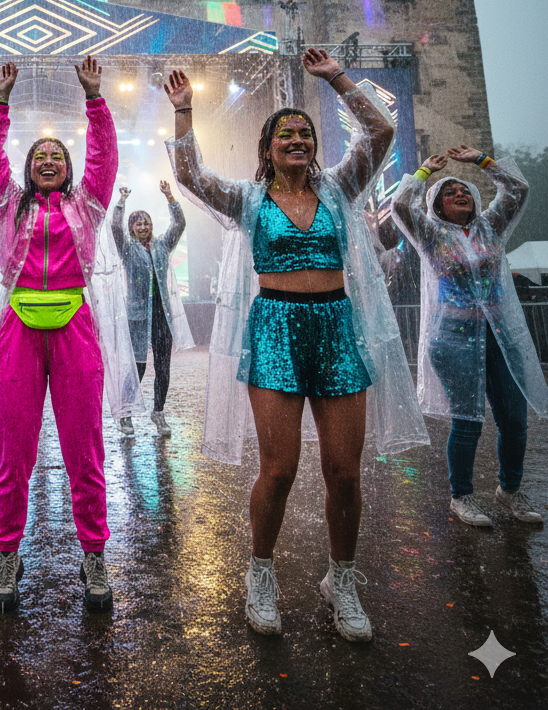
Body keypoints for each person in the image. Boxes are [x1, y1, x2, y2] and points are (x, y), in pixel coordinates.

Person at [165, 48, 427, 643]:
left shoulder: (341, 188)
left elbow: (382, 129)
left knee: (345, 473)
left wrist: (334, 78)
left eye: (305, 133)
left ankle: (342, 579)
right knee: (279, 470)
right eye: (285, 133)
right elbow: (191, 177)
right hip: (276, 329)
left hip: (336, 329)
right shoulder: (250, 200)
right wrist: (185, 113)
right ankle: (261, 573)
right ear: (267, 149)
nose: (298, 138)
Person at [0, 57, 125, 614]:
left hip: (75, 331)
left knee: (84, 450)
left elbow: (104, 158)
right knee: (13, 453)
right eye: (38, 156)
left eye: (55, 156)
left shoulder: (87, 204)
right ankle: (8, 556)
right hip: (17, 331)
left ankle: (93, 555)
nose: (46, 160)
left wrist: (95, 99)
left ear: (67, 170)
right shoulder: (7, 204)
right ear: (26, 168)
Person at [392, 147, 548, 527]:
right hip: (452, 340)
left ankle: (509, 489)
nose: (460, 194)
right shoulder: (431, 234)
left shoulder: (490, 227)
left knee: (514, 419)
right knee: (468, 420)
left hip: (500, 338)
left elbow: (516, 189)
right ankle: (461, 496)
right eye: (450, 193)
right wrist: (425, 172)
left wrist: (482, 161)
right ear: (438, 206)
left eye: (465, 191)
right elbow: (400, 206)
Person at [111, 180, 194, 437]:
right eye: (139, 223)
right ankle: (125, 414)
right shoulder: (127, 248)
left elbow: (179, 224)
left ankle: (158, 412)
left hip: (162, 317)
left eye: (146, 222)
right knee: (138, 367)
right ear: (132, 228)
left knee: (163, 367)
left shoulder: (162, 245)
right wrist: (122, 203)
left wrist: (170, 197)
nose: (144, 226)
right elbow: (115, 227)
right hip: (137, 317)